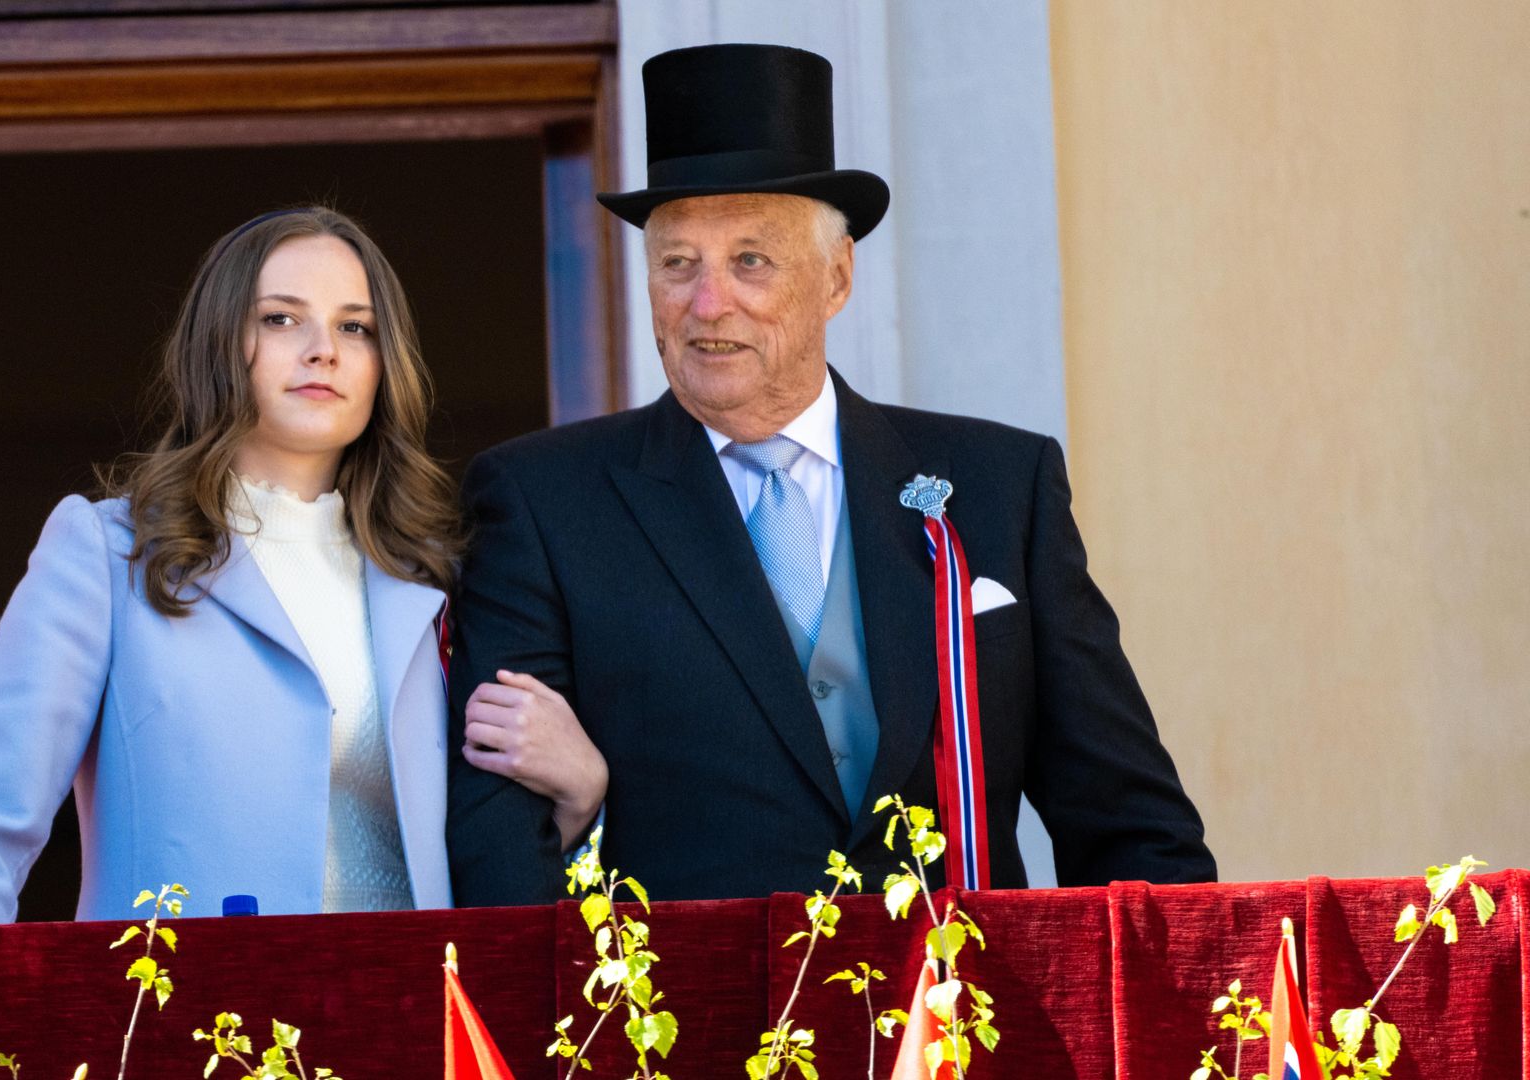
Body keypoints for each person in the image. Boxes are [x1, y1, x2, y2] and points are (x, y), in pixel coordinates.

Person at [446, 44, 1216, 906]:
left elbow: (1129, 826)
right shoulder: (542, 503)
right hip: (685, 1030)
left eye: (751, 260)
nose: (708, 303)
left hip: (965, 1023)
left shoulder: (1002, 483)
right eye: (677, 264)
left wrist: (1179, 1020)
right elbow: (498, 860)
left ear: (837, 277)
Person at [0, 206, 595, 923]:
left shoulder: (436, 578)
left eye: (355, 327)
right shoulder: (108, 554)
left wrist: (582, 795)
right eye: (280, 319)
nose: (322, 349)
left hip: (409, 1019)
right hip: (192, 1026)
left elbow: (492, 871)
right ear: (218, 342)